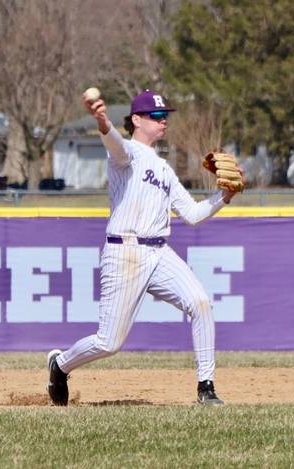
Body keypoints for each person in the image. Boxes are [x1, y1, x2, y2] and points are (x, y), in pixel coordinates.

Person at [46, 89, 241, 406]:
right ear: (137, 120)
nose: (164, 121)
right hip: (125, 252)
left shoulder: (164, 169)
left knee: (201, 303)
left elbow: (192, 215)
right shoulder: (127, 155)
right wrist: (102, 120)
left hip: (159, 253)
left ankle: (206, 388)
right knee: (109, 342)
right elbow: (114, 142)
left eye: (166, 116)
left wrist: (224, 197)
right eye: (157, 116)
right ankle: (61, 364)